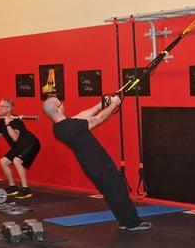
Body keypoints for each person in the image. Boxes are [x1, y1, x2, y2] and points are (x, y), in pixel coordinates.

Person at [42, 95, 151, 231]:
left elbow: (82, 116)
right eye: (60, 104)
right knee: (118, 188)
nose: (63, 104)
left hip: (89, 163)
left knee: (110, 191)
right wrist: (114, 105)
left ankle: (124, 221)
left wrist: (100, 105)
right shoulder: (70, 127)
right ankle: (133, 223)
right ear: (57, 110)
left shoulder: (59, 127)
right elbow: (98, 119)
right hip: (97, 161)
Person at [0, 98, 41, 199]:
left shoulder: (16, 120)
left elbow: (14, 137)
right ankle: (13, 187)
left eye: (1, 106)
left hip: (30, 143)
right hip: (19, 146)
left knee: (16, 160)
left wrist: (8, 124)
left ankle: (25, 190)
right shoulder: (1, 121)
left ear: (9, 109)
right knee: (3, 161)